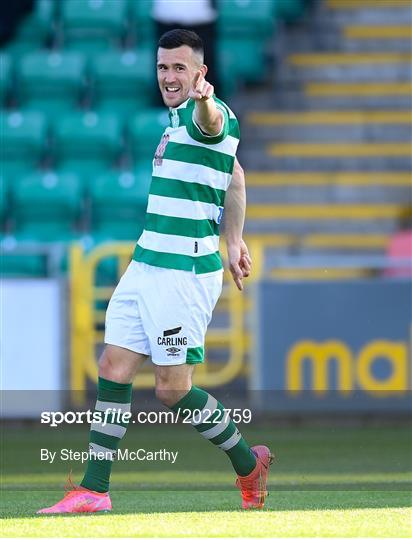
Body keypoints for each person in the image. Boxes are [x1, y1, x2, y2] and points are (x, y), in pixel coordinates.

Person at [37, 29, 273, 515]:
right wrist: (234, 239)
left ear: (200, 73)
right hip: (146, 262)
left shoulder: (213, 114)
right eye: (163, 67)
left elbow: (211, 123)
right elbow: (236, 174)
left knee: (172, 390)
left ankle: (249, 465)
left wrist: (205, 102)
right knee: (112, 368)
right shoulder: (173, 122)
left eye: (180, 68)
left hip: (183, 269)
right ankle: (94, 490)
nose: (169, 76)